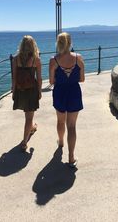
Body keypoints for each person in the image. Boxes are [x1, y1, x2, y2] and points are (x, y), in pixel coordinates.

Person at [49, 32, 85, 167]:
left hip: (59, 92)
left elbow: (52, 81)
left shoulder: (54, 60)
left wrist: (61, 78)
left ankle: (61, 141)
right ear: (70, 43)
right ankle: (71, 157)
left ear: (58, 44)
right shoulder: (78, 58)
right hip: (74, 92)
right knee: (72, 126)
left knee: (60, 120)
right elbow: (82, 79)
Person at [12, 35, 42, 151]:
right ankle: (24, 142)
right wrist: (39, 91)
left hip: (20, 89)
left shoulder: (16, 59)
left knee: (28, 115)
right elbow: (39, 79)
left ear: (22, 45)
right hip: (31, 90)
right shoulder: (36, 59)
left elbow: (14, 78)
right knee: (29, 117)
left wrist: (14, 91)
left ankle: (31, 128)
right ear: (33, 45)